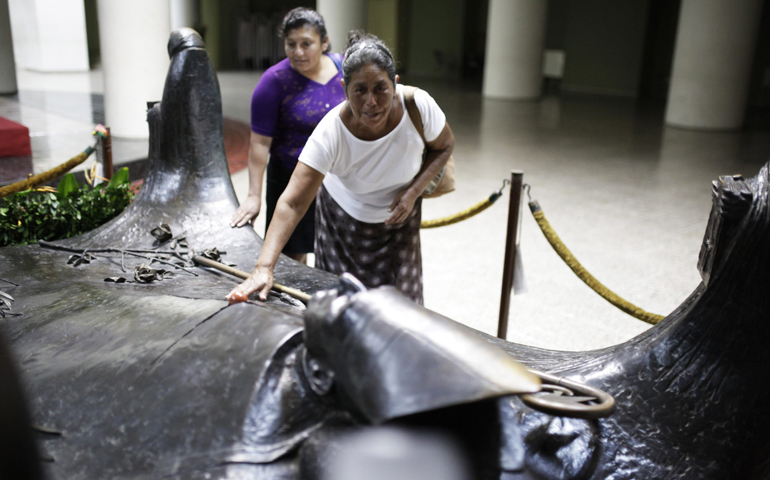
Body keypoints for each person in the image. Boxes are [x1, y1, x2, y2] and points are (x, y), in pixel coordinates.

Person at [227, 31, 454, 305]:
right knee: (343, 308)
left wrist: (413, 192)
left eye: (381, 88)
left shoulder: (418, 106)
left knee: (401, 311)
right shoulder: (331, 132)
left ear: (395, 84)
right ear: (345, 88)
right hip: (343, 225)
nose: (371, 101)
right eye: (360, 90)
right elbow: (292, 203)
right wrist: (263, 268)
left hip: (400, 223)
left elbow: (444, 146)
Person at [230, 7, 345, 265]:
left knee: (338, 250)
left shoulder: (345, 70)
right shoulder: (274, 81)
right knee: (291, 256)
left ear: (324, 42)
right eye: (291, 44)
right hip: (290, 178)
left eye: (307, 44)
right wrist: (253, 195)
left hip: (337, 180)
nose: (298, 52)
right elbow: (260, 144)